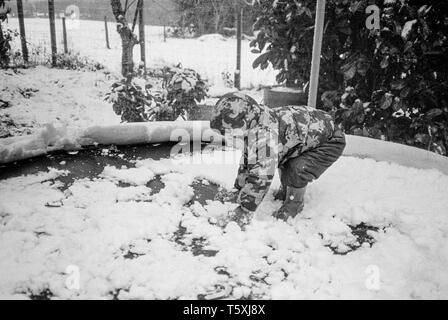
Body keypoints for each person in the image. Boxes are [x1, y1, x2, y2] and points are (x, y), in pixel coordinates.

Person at [211, 92, 346, 227]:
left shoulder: (265, 137)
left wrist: (244, 210)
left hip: (330, 141)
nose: (228, 137)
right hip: (305, 137)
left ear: (245, 123)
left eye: (230, 132)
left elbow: (261, 176)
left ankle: (294, 205)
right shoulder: (255, 121)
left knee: (297, 169)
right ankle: (286, 191)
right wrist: (238, 189)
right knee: (282, 158)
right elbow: (249, 161)